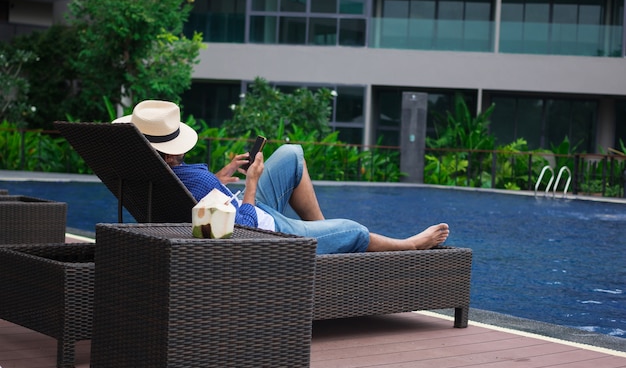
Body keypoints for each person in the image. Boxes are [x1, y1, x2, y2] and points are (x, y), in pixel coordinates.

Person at [114, 100, 450, 254]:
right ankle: (409, 244)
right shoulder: (192, 183)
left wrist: (221, 176)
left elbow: (198, 204)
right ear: (173, 152)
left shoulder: (149, 174)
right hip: (261, 230)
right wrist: (251, 183)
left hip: (238, 212)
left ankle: (322, 234)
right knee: (355, 229)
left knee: (292, 154)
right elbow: (237, 231)